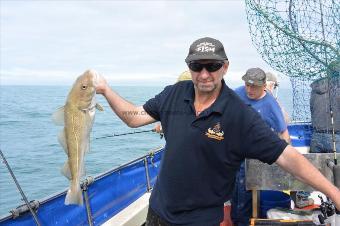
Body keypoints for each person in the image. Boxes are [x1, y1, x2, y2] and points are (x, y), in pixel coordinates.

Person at [95, 37, 340, 226]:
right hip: (158, 211)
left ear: (225, 67)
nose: (204, 74)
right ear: (189, 67)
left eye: (212, 66)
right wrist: (106, 90)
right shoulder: (173, 93)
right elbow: (134, 118)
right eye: (196, 66)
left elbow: (286, 155)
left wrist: (333, 192)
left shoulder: (240, 114)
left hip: (199, 220)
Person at [231, 68, 290, 226]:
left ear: (264, 86)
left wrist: (288, 162)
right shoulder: (236, 93)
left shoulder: (271, 104)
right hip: (233, 154)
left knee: (244, 200)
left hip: (253, 158)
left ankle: (242, 222)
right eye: (247, 85)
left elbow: (284, 134)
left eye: (254, 86)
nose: (249, 90)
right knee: (233, 195)